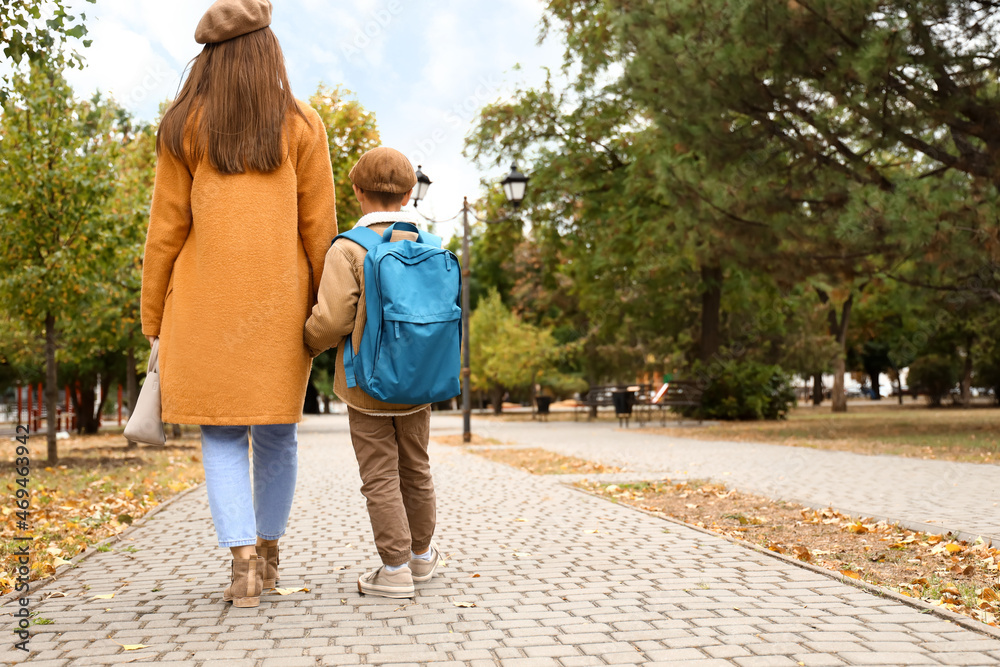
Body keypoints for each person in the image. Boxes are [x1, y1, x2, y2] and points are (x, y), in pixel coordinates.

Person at [140, 0, 337, 608]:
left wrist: (152, 317)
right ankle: (272, 554)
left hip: (203, 311)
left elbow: (165, 230)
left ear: (212, 57)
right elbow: (319, 230)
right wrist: (327, 312)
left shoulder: (182, 127)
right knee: (278, 436)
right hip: (281, 313)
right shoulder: (303, 125)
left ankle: (242, 566)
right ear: (267, 50)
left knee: (222, 436)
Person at [304, 147, 439, 599]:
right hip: (420, 381)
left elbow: (333, 321)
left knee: (380, 474)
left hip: (366, 385)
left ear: (357, 192)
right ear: (407, 194)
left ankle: (395, 569)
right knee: (416, 468)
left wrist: (305, 343)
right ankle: (422, 558)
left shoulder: (347, 248)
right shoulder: (430, 246)